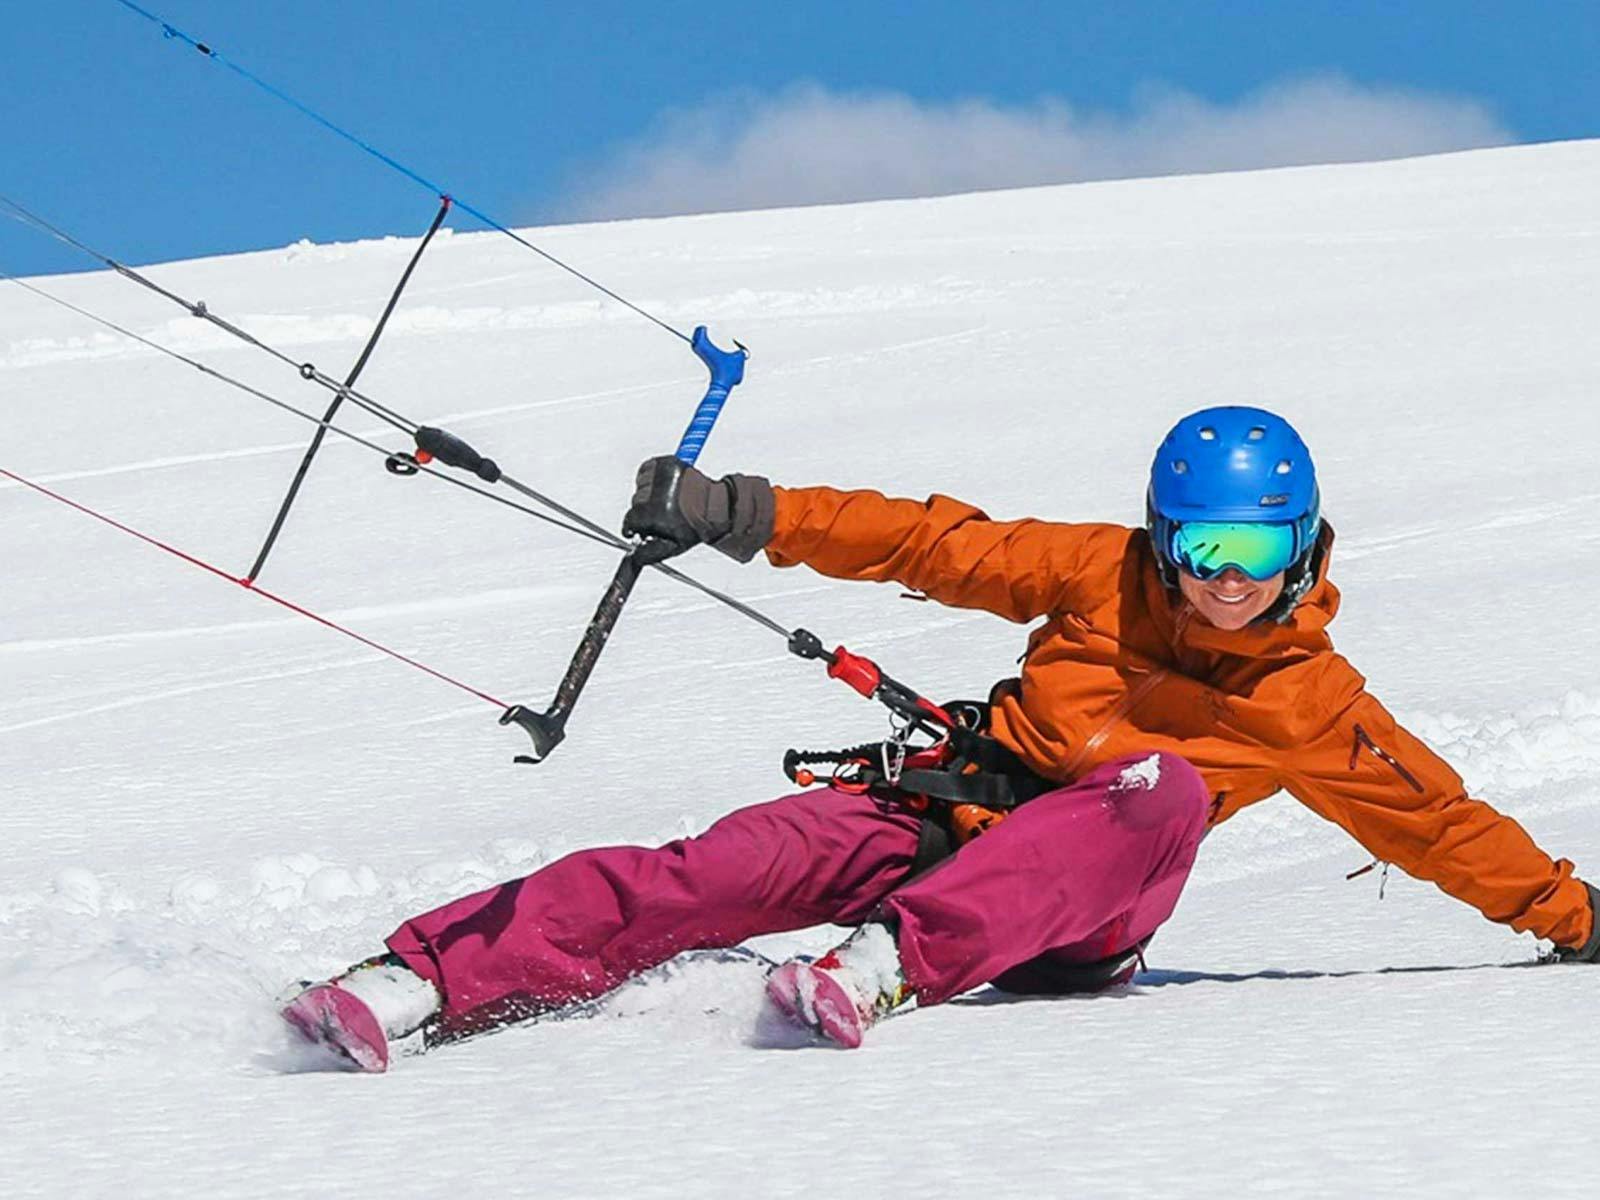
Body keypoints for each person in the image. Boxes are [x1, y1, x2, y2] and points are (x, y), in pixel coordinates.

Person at [282, 406, 1599, 1071]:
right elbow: (932, 542)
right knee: (718, 868)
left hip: (1073, 926)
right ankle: (422, 978)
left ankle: (887, 968)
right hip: (950, 813)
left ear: (1305, 540)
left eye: (1255, 550)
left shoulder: (1320, 706)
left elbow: (1441, 824)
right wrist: (744, 510)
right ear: (1160, 533)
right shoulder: (1101, 573)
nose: (1224, 580)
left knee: (1163, 786)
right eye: (1199, 547)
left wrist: (1576, 917)